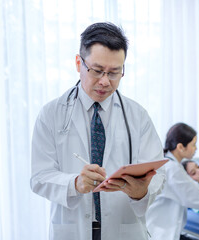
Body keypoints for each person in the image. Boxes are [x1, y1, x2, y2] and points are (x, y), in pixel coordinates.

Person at [30, 22, 165, 240]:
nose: (105, 81)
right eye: (97, 70)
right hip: (72, 230)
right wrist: (75, 183)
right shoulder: (51, 114)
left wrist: (142, 191)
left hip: (125, 229)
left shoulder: (138, 116)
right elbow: (39, 177)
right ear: (78, 63)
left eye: (114, 72)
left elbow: (158, 174)